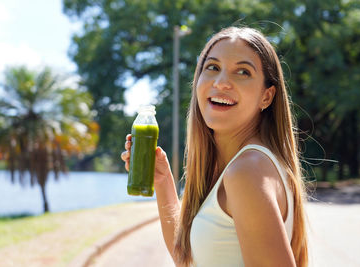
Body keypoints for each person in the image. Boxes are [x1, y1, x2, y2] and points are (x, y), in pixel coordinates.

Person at [121, 26, 308, 267]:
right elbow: (188, 259)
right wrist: (163, 180)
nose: (221, 83)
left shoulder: (247, 172)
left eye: (242, 72)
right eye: (212, 67)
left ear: (267, 96)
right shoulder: (245, 167)